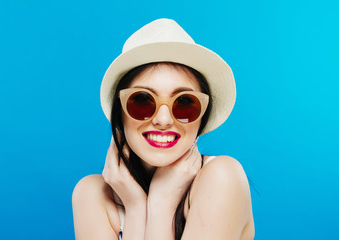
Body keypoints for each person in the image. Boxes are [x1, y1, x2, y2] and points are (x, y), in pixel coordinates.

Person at [72, 18, 255, 240]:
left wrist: (162, 203)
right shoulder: (92, 195)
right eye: (142, 100)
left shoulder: (222, 178)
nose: (163, 119)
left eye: (185, 103)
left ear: (202, 117)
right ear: (119, 113)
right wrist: (136, 207)